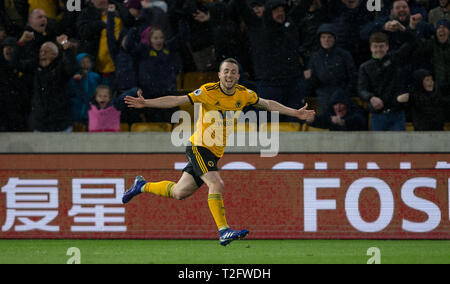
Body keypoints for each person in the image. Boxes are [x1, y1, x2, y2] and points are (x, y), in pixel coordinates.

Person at [122, 58, 315, 246]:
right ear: (219, 75)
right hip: (199, 146)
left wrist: (296, 113)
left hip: (215, 152)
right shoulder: (207, 91)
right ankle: (224, 230)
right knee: (216, 183)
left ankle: (141, 186)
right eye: (226, 71)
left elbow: (268, 103)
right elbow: (177, 100)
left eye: (233, 71)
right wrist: (147, 103)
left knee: (179, 192)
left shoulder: (243, 94)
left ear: (238, 76)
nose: (229, 75)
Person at [358, 31, 416, 131]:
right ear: (371, 48)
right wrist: (371, 98)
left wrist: (403, 28)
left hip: (397, 113)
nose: (378, 50)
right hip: (377, 116)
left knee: (399, 145)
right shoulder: (365, 67)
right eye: (375, 46)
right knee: (379, 146)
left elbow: (412, 43)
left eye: (381, 46)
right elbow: (361, 89)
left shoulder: (396, 59)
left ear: (387, 47)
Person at [305, 23, 358, 115]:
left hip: (342, 96)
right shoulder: (315, 57)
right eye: (323, 37)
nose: (326, 40)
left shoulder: (344, 55)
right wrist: (309, 77)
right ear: (319, 39)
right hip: (323, 96)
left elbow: (353, 76)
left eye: (329, 37)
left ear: (334, 38)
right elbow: (313, 84)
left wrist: (345, 92)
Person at [69, 53, 101, 126]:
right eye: (82, 62)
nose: (86, 64)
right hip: (76, 110)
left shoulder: (95, 76)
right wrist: (75, 80)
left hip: (91, 111)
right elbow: (71, 92)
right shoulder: (73, 77)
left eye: (88, 62)